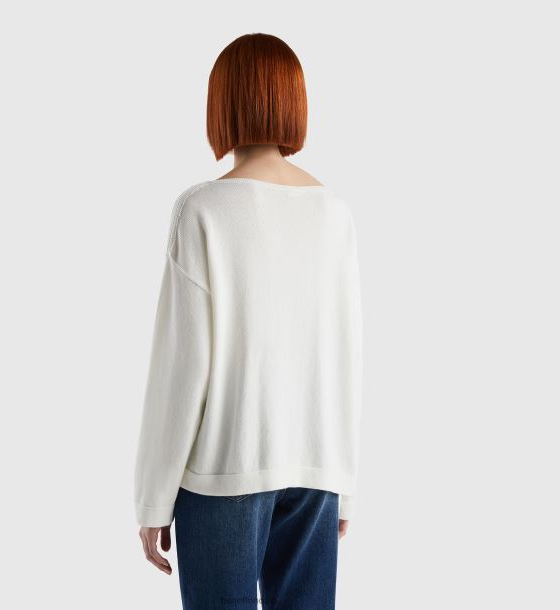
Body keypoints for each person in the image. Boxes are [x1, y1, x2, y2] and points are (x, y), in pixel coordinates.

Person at [134, 32, 363, 609]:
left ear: (222, 104)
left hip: (225, 472)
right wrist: (342, 482)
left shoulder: (202, 210)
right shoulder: (335, 214)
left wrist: (153, 498)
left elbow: (181, 368)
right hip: (314, 471)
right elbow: (345, 356)